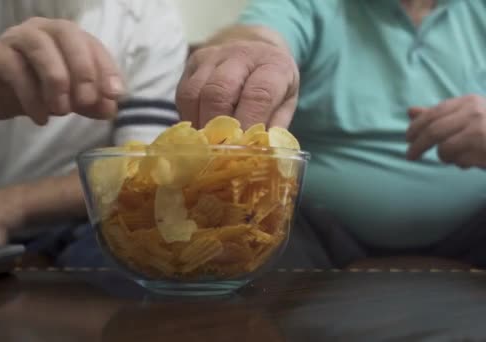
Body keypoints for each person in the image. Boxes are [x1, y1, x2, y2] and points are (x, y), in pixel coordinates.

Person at [176, 0, 486, 268]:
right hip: (315, 231)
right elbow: (261, 32)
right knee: (248, 230)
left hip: (475, 228)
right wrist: (249, 54)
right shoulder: (312, 5)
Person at [0, 0, 187, 264]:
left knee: (142, 234)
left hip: (73, 223)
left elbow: (140, 170)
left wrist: (10, 204)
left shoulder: (153, 17)